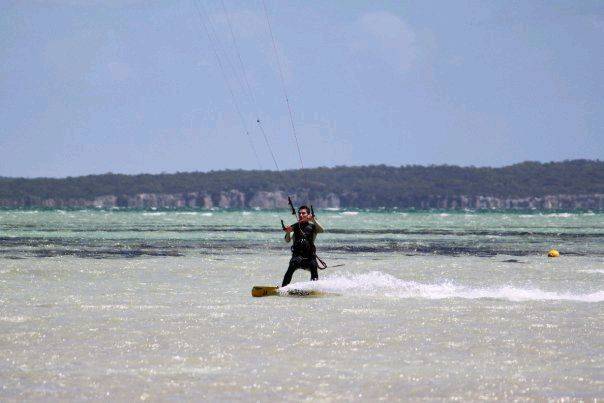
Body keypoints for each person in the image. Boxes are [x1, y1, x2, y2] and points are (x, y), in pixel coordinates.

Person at [281, 205, 324, 287]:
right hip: (297, 256)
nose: (301, 215)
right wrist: (288, 232)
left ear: (308, 215)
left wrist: (313, 220)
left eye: (303, 213)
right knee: (290, 270)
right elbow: (287, 240)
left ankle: (313, 289)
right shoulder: (294, 226)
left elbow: (322, 230)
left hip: (310, 256)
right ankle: (283, 288)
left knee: (314, 268)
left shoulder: (313, 226)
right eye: (299, 213)